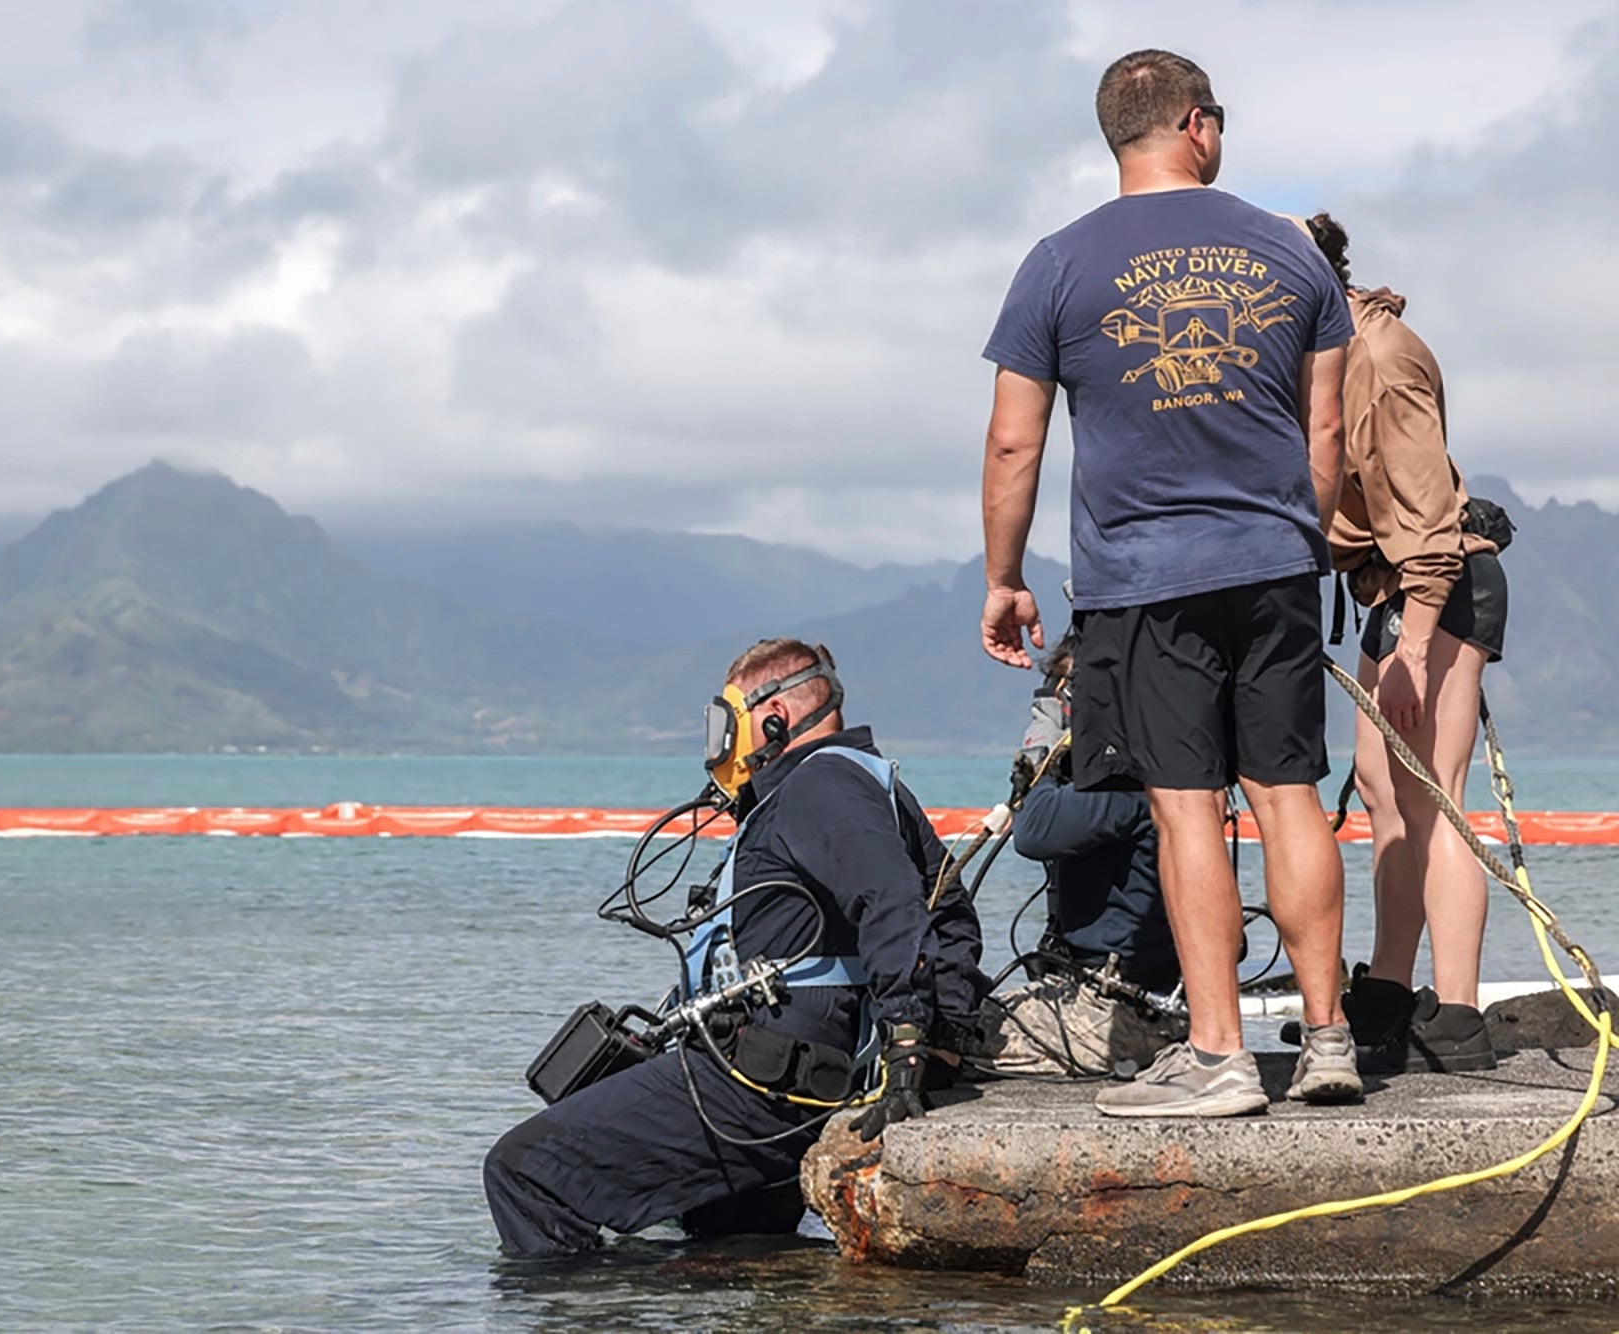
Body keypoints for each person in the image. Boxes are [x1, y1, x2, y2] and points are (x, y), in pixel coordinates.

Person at [976, 48, 1360, 1116]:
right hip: (1275, 562)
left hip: (1143, 577)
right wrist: (1296, 538)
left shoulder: (1057, 262)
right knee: (1286, 793)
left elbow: (1013, 443)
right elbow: (1325, 428)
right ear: (1197, 124)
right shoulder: (1293, 253)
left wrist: (1004, 577)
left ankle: (1218, 1054)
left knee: (1186, 807)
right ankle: (1327, 1038)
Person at [483, 639, 989, 1258]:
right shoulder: (863, 784)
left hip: (762, 1087)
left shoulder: (822, 783)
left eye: (726, 725)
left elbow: (891, 903)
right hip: (786, 1075)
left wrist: (910, 1047)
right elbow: (951, 916)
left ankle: (587, 1304)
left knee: (525, 1172)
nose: (721, 748)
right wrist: (943, 1037)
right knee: (725, 1242)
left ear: (773, 717)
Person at [1304, 211, 1508, 1073]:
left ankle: (1457, 1015)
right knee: (1384, 793)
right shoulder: (1333, 352)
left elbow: (1428, 515)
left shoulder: (1382, 360)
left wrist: (1416, 645)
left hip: (1436, 586)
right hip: (1390, 585)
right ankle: (1388, 996)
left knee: (1435, 798)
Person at [978, 630, 1187, 1076]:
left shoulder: (1125, 780)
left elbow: (1033, 833)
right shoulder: (1162, 764)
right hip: (1124, 1001)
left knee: (950, 1029)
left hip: (1118, 1017)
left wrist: (1040, 746)